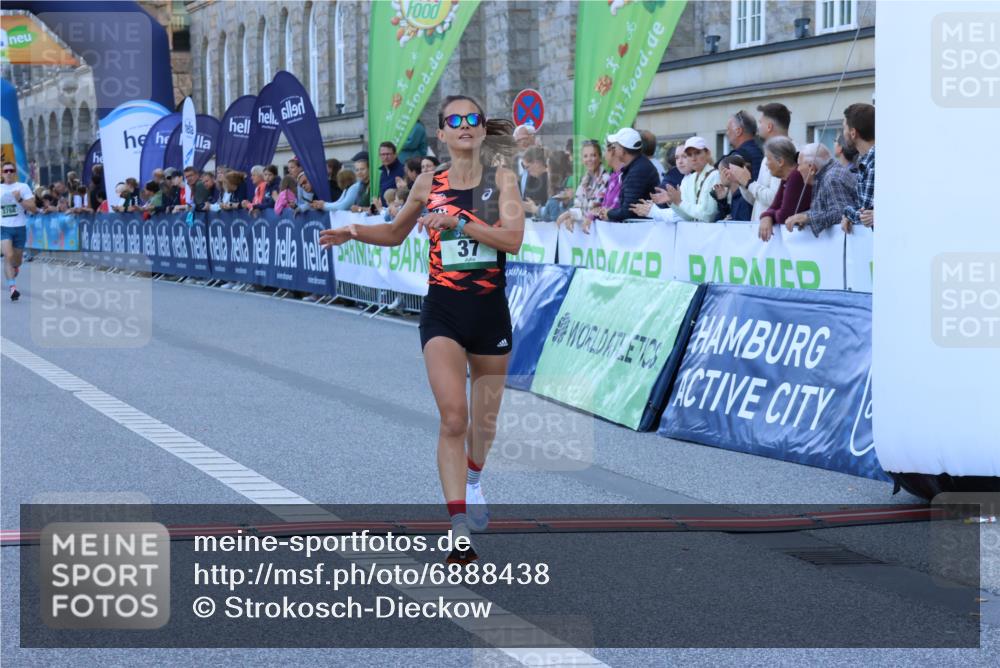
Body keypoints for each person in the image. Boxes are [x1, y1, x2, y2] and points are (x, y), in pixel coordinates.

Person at [319, 94, 523, 565]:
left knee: (484, 423)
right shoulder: (429, 182)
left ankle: (474, 479)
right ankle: (456, 529)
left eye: (473, 118)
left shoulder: (502, 179)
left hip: (490, 311)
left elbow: (512, 240)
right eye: (456, 120)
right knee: (454, 416)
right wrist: (352, 230)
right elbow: (394, 233)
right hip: (444, 312)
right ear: (443, 134)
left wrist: (459, 222)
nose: (467, 125)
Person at [730, 102, 792, 222]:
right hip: (763, 232)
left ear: (769, 126)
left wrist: (749, 183)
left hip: (775, 233)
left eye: (760, 122)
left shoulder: (785, 153)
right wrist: (742, 182)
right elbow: (756, 200)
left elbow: (774, 198)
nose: (758, 127)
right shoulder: (769, 154)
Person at [783, 143, 859, 237]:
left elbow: (842, 213)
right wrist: (803, 217)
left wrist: (807, 218)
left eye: (799, 165)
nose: (798, 169)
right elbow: (825, 210)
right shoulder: (825, 174)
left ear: (812, 168)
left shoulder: (831, 178)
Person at [598, 127, 659, 221]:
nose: (613, 150)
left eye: (615, 147)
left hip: (642, 231)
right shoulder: (637, 166)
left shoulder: (638, 171)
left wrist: (608, 213)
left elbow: (628, 212)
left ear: (623, 151)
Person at [758, 136, 812, 241]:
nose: (766, 163)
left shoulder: (796, 176)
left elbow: (784, 216)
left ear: (780, 162)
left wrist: (769, 215)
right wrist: (766, 216)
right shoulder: (787, 177)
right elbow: (774, 206)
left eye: (768, 159)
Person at [658, 136, 720, 222]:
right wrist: (673, 202)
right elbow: (688, 217)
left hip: (711, 233)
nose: (693, 158)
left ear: (708, 153)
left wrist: (679, 202)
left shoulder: (715, 175)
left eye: (697, 153)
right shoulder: (690, 178)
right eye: (689, 155)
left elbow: (707, 215)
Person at [1, 161, 38, 301]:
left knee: (16, 260)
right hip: (3, 227)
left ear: (15, 172)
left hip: (20, 227)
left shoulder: (23, 187)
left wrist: (19, 199)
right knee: (8, 256)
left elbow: (33, 208)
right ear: (2, 173)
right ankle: (12, 288)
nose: (9, 173)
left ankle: (15, 267)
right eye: (6, 171)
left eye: (11, 170)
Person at [556, 139, 608, 230]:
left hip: (601, 231)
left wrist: (571, 214)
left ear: (600, 157)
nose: (589, 159)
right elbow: (578, 205)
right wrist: (570, 215)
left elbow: (596, 207)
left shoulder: (606, 178)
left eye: (593, 155)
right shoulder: (584, 180)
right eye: (585, 156)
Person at [840, 102, 875, 232]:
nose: (843, 133)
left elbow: (864, 215)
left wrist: (848, 212)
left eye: (844, 128)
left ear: (853, 133)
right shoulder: (867, 160)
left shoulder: (873, 164)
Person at [719, 109, 763, 180]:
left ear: (738, 131)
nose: (727, 134)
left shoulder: (738, 157)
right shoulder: (760, 152)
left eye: (728, 129)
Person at [711, 154, 753, 221]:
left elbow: (742, 227)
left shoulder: (743, 198)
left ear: (727, 173)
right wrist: (722, 201)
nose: (719, 177)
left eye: (719, 173)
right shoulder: (736, 197)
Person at [376, 142, 406, 207]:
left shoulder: (403, 170)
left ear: (395, 154)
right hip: (384, 212)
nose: (385, 157)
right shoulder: (383, 173)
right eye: (383, 154)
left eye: (388, 154)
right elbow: (380, 198)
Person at [519, 146, 549, 211]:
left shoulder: (548, 178)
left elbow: (536, 199)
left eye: (527, 167)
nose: (527, 171)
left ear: (537, 163)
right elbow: (526, 198)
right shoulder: (533, 179)